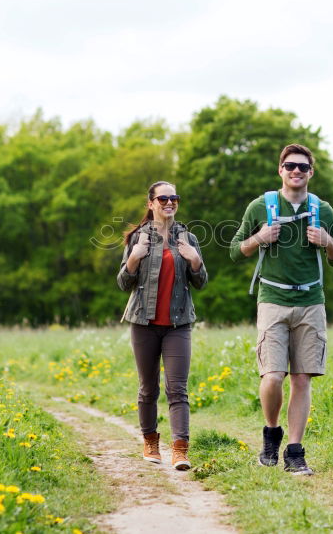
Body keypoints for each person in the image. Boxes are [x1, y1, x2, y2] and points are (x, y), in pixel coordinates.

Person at [230, 144, 333, 475]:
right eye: (290, 165)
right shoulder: (261, 206)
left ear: (311, 173)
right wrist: (260, 237)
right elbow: (234, 252)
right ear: (280, 170)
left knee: (301, 378)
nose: (296, 171)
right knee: (273, 376)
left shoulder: (322, 209)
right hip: (272, 299)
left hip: (311, 301)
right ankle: (272, 432)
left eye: (303, 167)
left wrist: (327, 242)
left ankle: (295, 451)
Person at [117, 181, 207, 470]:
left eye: (174, 198)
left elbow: (201, 282)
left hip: (178, 323)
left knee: (178, 389)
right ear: (151, 203)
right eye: (163, 198)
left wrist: (195, 261)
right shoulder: (138, 238)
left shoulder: (189, 238)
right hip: (143, 322)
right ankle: (150, 442)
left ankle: (180, 449)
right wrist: (133, 258)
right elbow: (122, 283)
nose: (170, 202)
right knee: (148, 389)